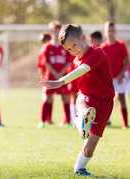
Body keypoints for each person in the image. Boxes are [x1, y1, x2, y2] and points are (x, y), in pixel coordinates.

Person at [40, 24, 114, 176]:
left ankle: (79, 167)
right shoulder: (75, 61)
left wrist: (60, 81)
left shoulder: (97, 52)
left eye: (74, 45)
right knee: (82, 103)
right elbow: (78, 85)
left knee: (92, 142)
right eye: (69, 49)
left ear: (83, 38)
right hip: (87, 96)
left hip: (106, 102)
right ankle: (80, 120)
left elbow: (84, 69)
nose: (73, 50)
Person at [38, 21, 71, 128]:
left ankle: (67, 121)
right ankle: (42, 121)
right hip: (50, 77)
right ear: (51, 31)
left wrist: (61, 74)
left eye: (58, 30)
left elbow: (68, 61)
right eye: (54, 30)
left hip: (63, 77)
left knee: (66, 98)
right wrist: (55, 73)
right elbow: (46, 63)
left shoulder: (65, 46)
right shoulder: (47, 47)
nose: (56, 32)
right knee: (47, 98)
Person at [101, 21, 130, 128]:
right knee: (106, 101)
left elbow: (127, 62)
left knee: (122, 99)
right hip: (108, 80)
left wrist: (121, 75)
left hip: (119, 78)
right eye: (108, 30)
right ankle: (105, 121)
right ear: (105, 32)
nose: (110, 33)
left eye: (112, 30)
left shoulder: (121, 45)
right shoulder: (103, 47)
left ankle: (125, 124)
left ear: (115, 32)